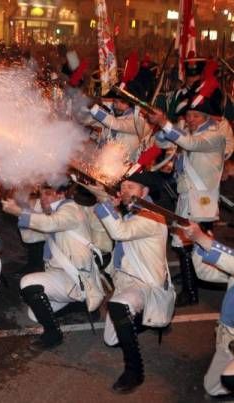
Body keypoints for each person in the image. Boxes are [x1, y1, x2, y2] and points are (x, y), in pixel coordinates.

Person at [92, 172, 174, 393]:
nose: (125, 190)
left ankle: (134, 372)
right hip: (128, 282)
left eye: (131, 187)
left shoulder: (151, 216)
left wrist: (104, 204)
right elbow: (106, 234)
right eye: (124, 186)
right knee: (111, 340)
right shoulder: (132, 212)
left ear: (145, 192)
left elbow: (120, 232)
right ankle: (144, 319)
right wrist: (111, 206)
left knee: (118, 306)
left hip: (146, 284)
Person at [149, 84, 227, 307]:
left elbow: (190, 144)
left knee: (196, 247)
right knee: (182, 244)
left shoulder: (215, 136)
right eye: (188, 115)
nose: (190, 119)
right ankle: (191, 288)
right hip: (187, 198)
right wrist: (163, 128)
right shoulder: (190, 133)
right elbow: (161, 142)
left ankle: (200, 287)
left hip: (202, 202)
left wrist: (165, 122)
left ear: (206, 116)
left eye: (195, 115)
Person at [2, 183, 103, 349]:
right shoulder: (55, 214)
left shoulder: (71, 208)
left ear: (61, 195)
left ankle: (53, 335)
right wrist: (24, 209)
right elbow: (31, 238)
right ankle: (79, 306)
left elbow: (51, 224)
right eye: (41, 195)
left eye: (48, 194)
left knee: (28, 283)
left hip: (77, 277)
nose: (42, 199)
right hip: (63, 275)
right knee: (34, 315)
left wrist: (21, 213)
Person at [181, 222, 234, 397]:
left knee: (230, 378)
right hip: (229, 336)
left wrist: (203, 239)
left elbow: (230, 261)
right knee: (212, 386)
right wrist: (200, 245)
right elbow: (207, 273)